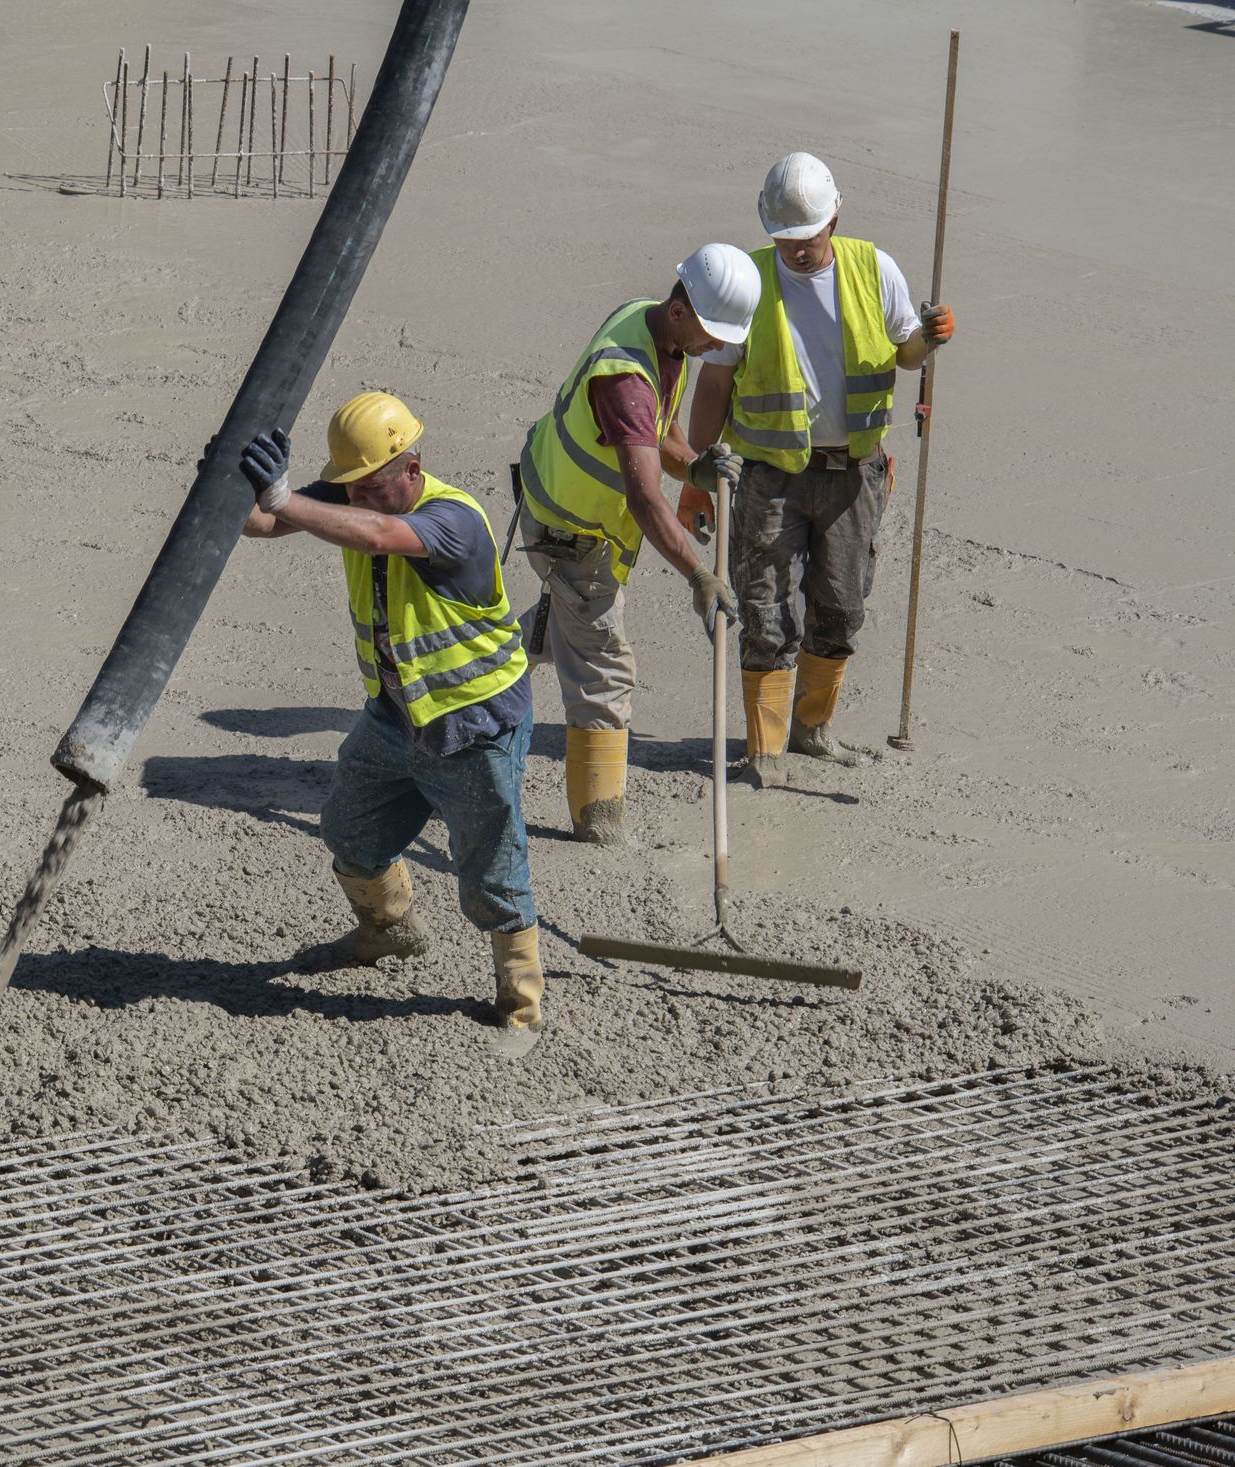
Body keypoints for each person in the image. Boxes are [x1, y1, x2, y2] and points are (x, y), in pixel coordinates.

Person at [238, 393, 544, 1052]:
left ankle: (521, 1002)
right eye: (353, 489)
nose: (363, 501)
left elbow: (377, 535)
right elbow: (261, 524)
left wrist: (288, 499)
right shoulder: (356, 493)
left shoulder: (454, 520)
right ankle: (390, 929)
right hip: (395, 716)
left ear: (413, 466)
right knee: (350, 828)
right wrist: (232, 490)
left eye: (375, 487)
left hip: (472, 726)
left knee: (492, 865)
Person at [684, 153, 957, 784]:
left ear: (834, 218)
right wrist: (694, 482)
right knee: (766, 611)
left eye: (807, 239)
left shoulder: (873, 268)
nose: (797, 252)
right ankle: (765, 747)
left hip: (853, 476)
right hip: (768, 477)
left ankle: (812, 729)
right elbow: (713, 384)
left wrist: (931, 338)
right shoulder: (749, 282)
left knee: (840, 607)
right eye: (785, 241)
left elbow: (905, 352)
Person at [514, 245, 760, 841]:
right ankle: (599, 822)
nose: (715, 348)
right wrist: (699, 574)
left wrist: (694, 466)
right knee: (603, 668)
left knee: (567, 629)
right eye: (710, 333)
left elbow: (662, 423)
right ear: (679, 309)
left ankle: (481, 662)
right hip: (571, 531)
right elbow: (645, 500)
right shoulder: (624, 380)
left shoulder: (653, 326)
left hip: (563, 510)